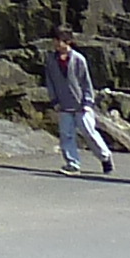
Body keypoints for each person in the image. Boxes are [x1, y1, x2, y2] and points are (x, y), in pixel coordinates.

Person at [45, 26, 112, 177]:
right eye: (54, 40)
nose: (56, 44)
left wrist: (88, 102)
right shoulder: (51, 60)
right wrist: (54, 100)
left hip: (81, 105)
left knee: (89, 133)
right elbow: (49, 81)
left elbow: (86, 82)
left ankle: (105, 156)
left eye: (59, 40)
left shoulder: (78, 59)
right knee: (66, 135)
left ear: (68, 41)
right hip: (63, 105)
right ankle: (72, 164)